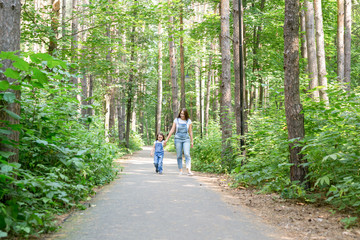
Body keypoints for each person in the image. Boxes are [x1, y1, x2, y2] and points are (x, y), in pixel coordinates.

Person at [164, 108, 194, 176]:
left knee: (187, 154)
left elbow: (190, 131)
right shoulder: (176, 120)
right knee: (179, 155)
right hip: (178, 139)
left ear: (186, 114)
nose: (182, 115)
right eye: (181, 114)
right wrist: (167, 139)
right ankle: (180, 170)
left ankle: (188, 170)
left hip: (186, 139)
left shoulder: (188, 121)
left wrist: (192, 141)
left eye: (183, 114)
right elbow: (172, 130)